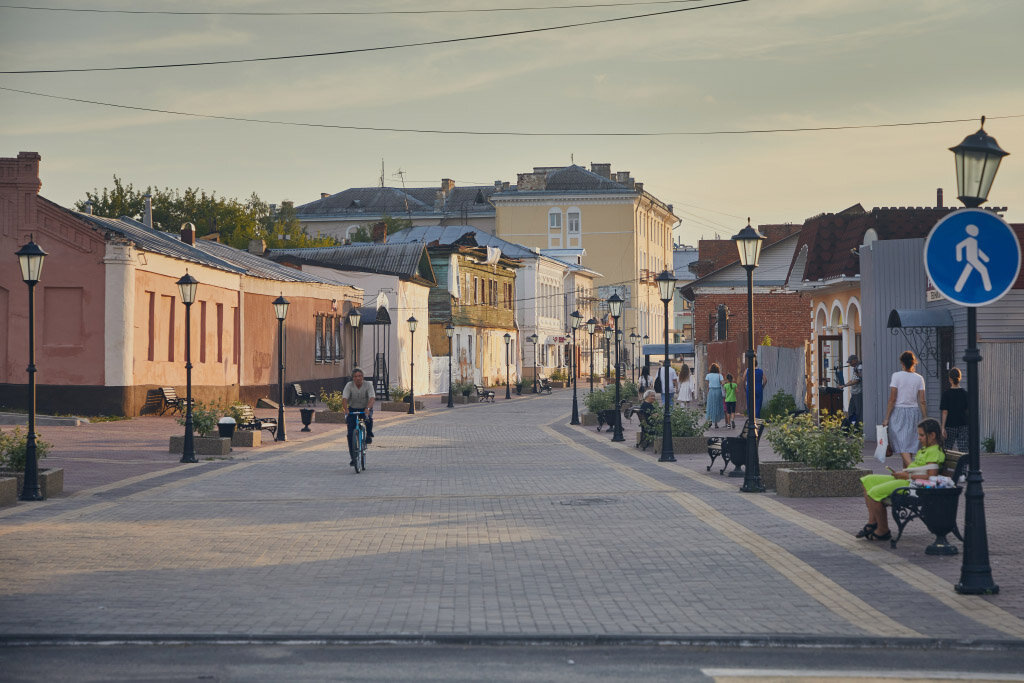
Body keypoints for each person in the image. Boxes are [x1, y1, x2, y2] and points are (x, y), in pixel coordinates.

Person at [856, 418, 945, 541]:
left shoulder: (934, 451)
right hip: (907, 479)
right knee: (868, 480)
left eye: (922, 435)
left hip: (913, 485)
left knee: (874, 492)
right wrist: (903, 474)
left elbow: (931, 477)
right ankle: (872, 522)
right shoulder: (926, 449)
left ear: (933, 435)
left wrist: (906, 476)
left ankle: (883, 530)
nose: (919, 438)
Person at [882, 350, 927, 467]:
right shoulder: (919, 378)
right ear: (914, 363)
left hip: (898, 412)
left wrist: (886, 418)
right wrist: (925, 417)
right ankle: (907, 473)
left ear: (902, 362)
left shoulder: (896, 376)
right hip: (914, 412)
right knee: (910, 445)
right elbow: (922, 401)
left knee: (900, 443)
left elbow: (892, 399)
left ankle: (911, 468)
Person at [342, 368, 375, 468]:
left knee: (368, 419)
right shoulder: (349, 385)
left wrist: (368, 408)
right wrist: (346, 410)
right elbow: (344, 399)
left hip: (365, 408)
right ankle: (353, 457)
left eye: (360, 376)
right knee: (350, 433)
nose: (358, 378)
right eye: (356, 376)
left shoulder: (368, 385)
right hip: (353, 409)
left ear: (363, 377)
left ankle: (368, 434)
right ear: (353, 378)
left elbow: (372, 398)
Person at [940, 367, 969, 452]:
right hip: (963, 424)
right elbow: (967, 411)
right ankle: (963, 465)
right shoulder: (965, 394)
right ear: (960, 378)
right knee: (963, 450)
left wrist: (943, 427)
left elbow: (945, 412)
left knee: (947, 449)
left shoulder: (946, 394)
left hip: (950, 425)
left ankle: (945, 465)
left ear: (950, 379)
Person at [843, 354, 863, 426]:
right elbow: (852, 380)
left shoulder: (859, 367)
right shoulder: (855, 368)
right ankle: (852, 425)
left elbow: (857, 380)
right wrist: (844, 385)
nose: (850, 364)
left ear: (855, 360)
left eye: (851, 362)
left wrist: (846, 385)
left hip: (858, 392)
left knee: (858, 411)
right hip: (854, 393)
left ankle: (858, 427)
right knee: (851, 410)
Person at [705, 363, 725, 429]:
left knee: (710, 406)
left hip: (711, 391)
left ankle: (710, 420)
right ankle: (716, 423)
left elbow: (707, 385)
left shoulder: (708, 375)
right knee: (717, 406)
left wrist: (708, 392)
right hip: (718, 391)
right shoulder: (720, 375)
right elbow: (723, 383)